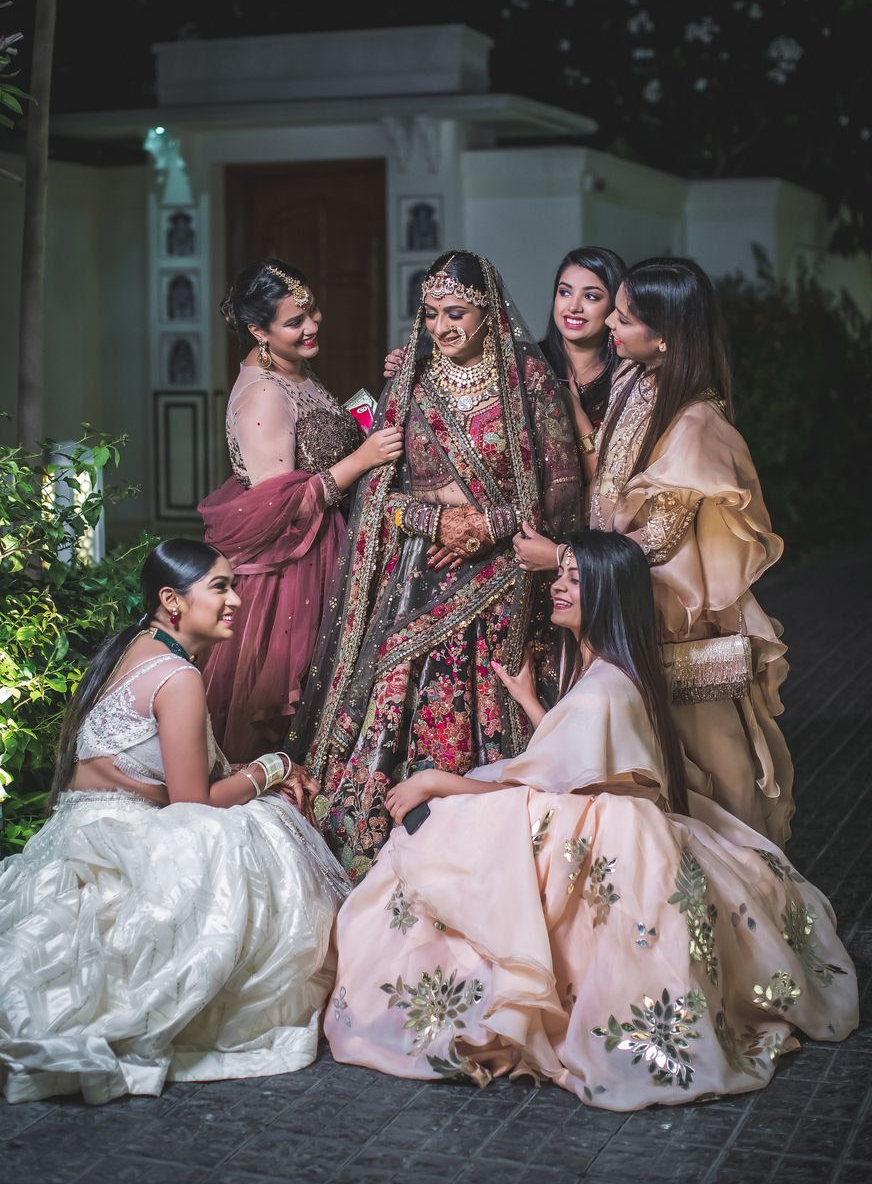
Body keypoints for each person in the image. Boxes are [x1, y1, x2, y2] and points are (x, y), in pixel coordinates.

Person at [325, 532, 856, 1110]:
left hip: (605, 832)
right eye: (562, 574)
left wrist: (435, 781)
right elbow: (573, 757)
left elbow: (537, 783)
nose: (558, 585)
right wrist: (532, 705)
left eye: (576, 579)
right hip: (619, 819)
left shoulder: (603, 687)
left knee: (455, 828)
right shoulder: (615, 671)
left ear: (607, 593)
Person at [0, 540, 349, 1117]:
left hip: (79, 831)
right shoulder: (177, 676)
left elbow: (153, 784)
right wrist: (273, 767)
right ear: (172, 601)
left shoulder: (134, 650)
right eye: (220, 587)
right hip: (121, 836)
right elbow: (194, 803)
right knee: (258, 829)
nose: (237, 601)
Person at [293, 250, 581, 880]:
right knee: (400, 671)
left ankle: (494, 858)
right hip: (424, 570)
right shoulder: (410, 383)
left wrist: (490, 526)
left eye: (456, 313)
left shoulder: (526, 379)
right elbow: (381, 496)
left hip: (510, 571)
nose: (441, 327)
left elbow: (561, 488)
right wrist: (439, 521)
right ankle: (390, 860)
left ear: (488, 313)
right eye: (430, 315)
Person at [513, 257, 794, 845]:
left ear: (664, 334)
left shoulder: (696, 420)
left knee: (709, 774)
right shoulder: (638, 381)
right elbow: (612, 483)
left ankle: (740, 895)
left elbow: (658, 539)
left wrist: (562, 558)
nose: (609, 324)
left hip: (675, 621)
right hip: (633, 611)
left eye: (623, 316)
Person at [198, 262, 403, 766]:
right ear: (257, 331)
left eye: (311, 310)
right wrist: (363, 458)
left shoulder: (294, 368)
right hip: (290, 572)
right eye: (294, 321)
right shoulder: (263, 392)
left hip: (327, 547)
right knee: (288, 715)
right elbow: (277, 510)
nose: (311, 326)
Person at [540, 245, 627, 437]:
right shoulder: (529, 364)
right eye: (564, 292)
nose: (573, 306)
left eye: (590, 296)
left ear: (615, 306)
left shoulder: (627, 377)